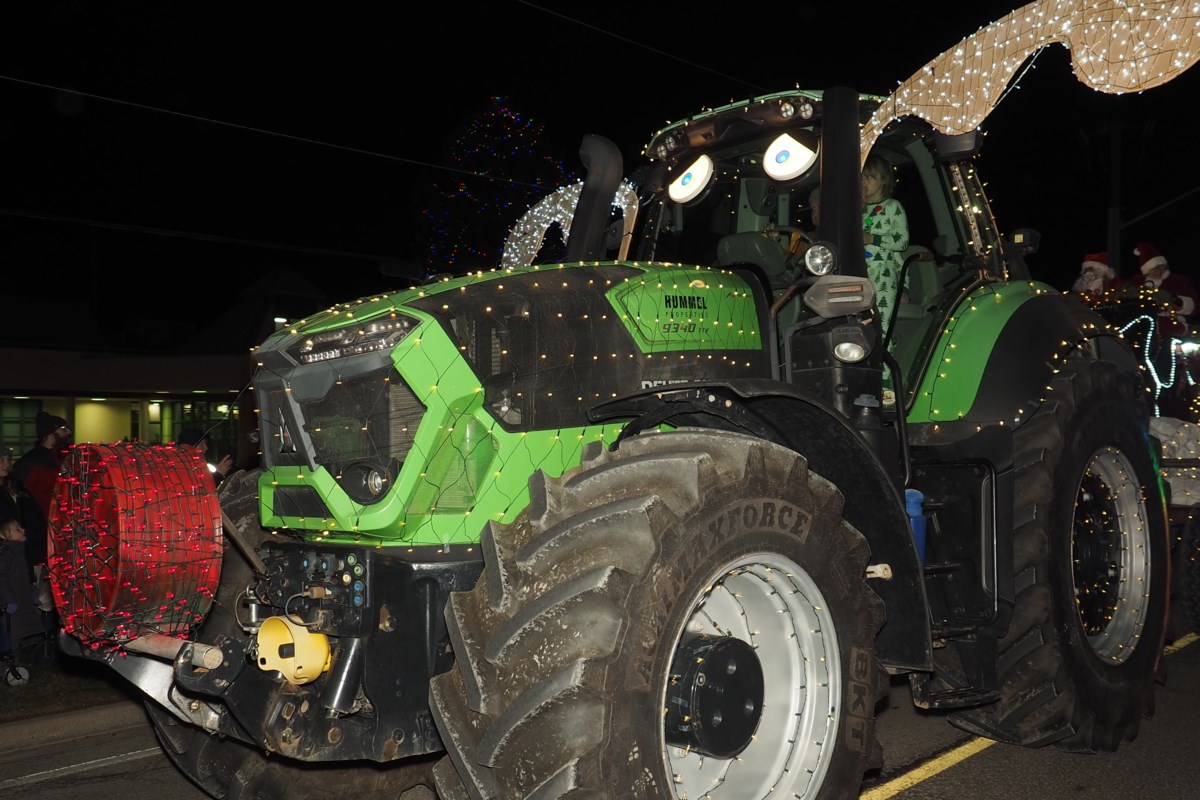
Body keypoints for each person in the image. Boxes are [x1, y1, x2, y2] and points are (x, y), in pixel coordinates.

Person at [12, 412, 71, 583]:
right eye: (63, 429)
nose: (67, 433)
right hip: (40, 533)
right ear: (50, 433)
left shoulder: (60, 458)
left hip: (57, 529)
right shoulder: (30, 463)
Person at [861, 153, 910, 325]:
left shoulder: (892, 207)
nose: (863, 181)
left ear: (883, 179)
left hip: (884, 273)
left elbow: (902, 241)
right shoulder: (859, 209)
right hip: (859, 273)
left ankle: (885, 351)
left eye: (869, 177)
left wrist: (872, 238)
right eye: (862, 177)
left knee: (882, 323)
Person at [0, 518, 41, 654]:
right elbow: (1, 579)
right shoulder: (6, 554)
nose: (23, 530)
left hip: (20, 602)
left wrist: (30, 598)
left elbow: (21, 580)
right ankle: (9, 668)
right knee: (11, 638)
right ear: (5, 535)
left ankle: (18, 665)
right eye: (17, 529)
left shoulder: (18, 552)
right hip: (10, 607)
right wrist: (8, 601)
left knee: (21, 636)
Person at [1136, 240, 1199, 326]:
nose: (1157, 271)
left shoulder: (1178, 280)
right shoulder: (1138, 283)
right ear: (1147, 271)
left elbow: (1195, 306)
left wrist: (1176, 302)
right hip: (1143, 323)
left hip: (1173, 323)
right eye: (1154, 268)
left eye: (1160, 267)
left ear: (1165, 267)